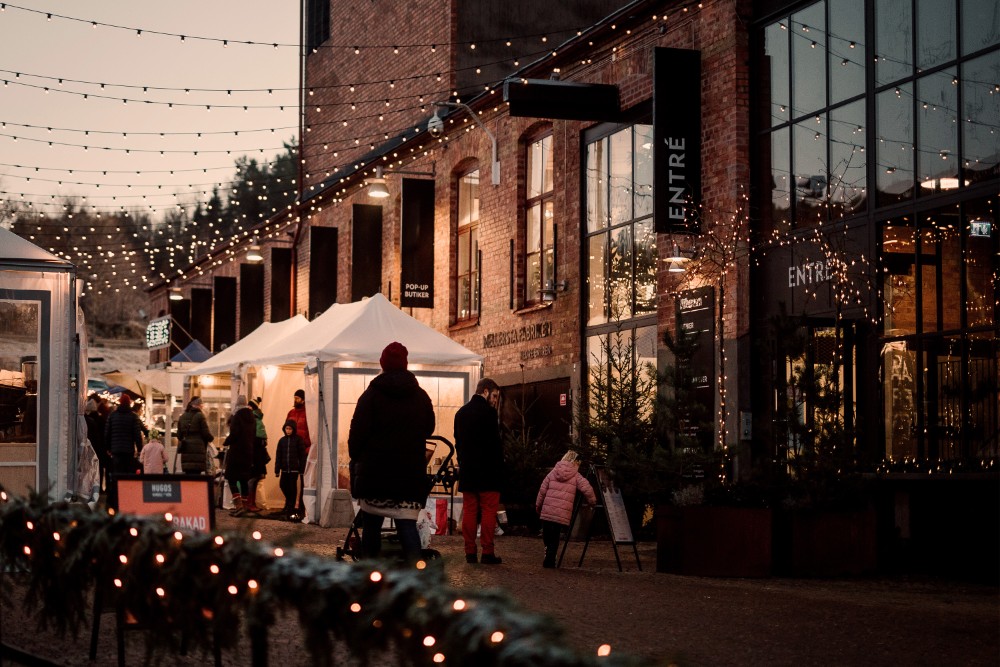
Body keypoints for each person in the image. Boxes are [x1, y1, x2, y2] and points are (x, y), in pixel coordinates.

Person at [348, 341, 435, 561]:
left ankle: (370, 576)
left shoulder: (370, 396)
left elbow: (356, 436)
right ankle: (416, 577)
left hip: (374, 476)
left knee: (371, 528)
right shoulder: (420, 396)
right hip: (408, 477)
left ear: (382, 364)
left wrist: (356, 458)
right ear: (405, 364)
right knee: (407, 527)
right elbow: (429, 428)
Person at [454, 377, 505, 565]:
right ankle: (487, 552)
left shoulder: (461, 413)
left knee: (469, 510)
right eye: (493, 395)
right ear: (484, 391)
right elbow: (495, 444)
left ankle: (469, 552)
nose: (494, 400)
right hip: (488, 471)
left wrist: (463, 461)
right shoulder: (489, 413)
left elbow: (458, 442)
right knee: (489, 511)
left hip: (468, 470)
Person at [535, 450, 597, 568]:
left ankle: (548, 553)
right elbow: (587, 488)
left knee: (547, 535)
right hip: (561, 513)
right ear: (576, 462)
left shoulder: (553, 472)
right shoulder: (576, 475)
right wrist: (592, 501)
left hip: (547, 511)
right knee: (555, 535)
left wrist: (538, 505)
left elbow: (542, 490)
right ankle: (551, 558)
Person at [104, 394, 144, 509]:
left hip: (116, 451)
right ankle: (126, 500)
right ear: (129, 403)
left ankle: (114, 501)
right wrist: (140, 449)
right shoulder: (133, 416)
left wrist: (108, 448)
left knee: (116, 475)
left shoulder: (112, 416)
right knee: (127, 476)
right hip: (128, 451)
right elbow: (137, 435)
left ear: (120, 403)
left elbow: (107, 433)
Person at [224, 396, 257, 517]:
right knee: (244, 480)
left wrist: (226, 441)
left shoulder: (237, 416)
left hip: (236, 452)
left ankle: (239, 506)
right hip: (248, 452)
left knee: (231, 478)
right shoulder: (252, 417)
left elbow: (234, 434)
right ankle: (244, 506)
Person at [286, 389, 312, 516]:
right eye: (294, 397)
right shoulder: (291, 412)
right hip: (292, 450)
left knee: (303, 480)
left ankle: (301, 507)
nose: (295, 400)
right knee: (288, 480)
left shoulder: (308, 413)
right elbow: (286, 428)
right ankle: (289, 505)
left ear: (303, 399)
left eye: (297, 398)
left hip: (304, 451)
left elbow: (310, 431)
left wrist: (308, 448)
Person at [274, 418, 307, 520]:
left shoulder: (298, 440)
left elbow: (302, 456)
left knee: (292, 488)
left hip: (294, 470)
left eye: (290, 429)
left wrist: (302, 469)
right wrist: (277, 469)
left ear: (294, 429)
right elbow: (278, 456)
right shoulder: (282, 441)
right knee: (283, 485)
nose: (288, 431)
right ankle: (289, 504)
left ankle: (290, 507)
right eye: (286, 428)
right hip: (284, 469)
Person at [176, 396, 214, 475]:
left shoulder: (182, 417)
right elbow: (206, 433)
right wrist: (211, 438)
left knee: (188, 476)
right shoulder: (200, 416)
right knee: (197, 476)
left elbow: (179, 436)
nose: (202, 407)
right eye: (201, 405)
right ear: (198, 405)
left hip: (186, 450)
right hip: (198, 451)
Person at [246, 397, 270, 513]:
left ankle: (250, 503)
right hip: (258, 451)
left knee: (253, 478)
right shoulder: (258, 418)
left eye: (249, 406)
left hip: (254, 451)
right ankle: (250, 503)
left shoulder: (252, 418)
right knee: (254, 478)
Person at [84, 397, 110, 492]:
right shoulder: (102, 419)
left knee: (90, 469)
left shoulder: (87, 420)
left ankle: (91, 488)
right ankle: (100, 489)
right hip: (101, 448)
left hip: (91, 447)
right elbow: (105, 434)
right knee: (100, 468)